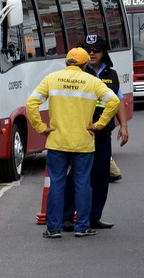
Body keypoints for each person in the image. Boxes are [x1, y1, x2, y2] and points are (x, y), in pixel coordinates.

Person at [27, 47, 120, 239]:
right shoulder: (92, 81)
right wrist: (99, 125)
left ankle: (53, 228)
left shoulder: (52, 79)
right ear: (85, 65)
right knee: (83, 183)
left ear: (66, 63)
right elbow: (114, 101)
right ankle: (82, 227)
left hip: (57, 141)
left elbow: (31, 103)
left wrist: (41, 127)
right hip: (83, 142)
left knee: (57, 184)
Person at [63, 37, 129, 229]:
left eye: (96, 50)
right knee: (77, 174)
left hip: (103, 134)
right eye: (88, 49)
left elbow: (118, 101)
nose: (92, 53)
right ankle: (67, 216)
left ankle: (94, 217)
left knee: (101, 176)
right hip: (82, 132)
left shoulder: (112, 74)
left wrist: (123, 126)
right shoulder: (79, 72)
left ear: (104, 53)